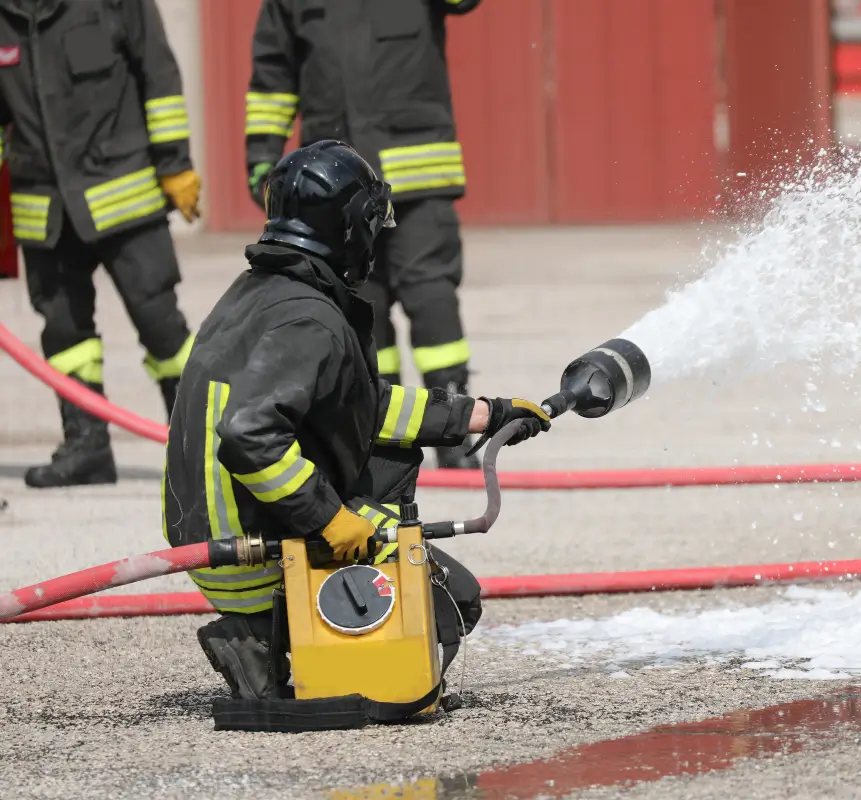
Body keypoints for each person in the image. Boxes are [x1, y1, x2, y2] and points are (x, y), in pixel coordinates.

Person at [161, 141, 550, 700]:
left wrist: (480, 415)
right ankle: (259, 634)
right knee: (452, 604)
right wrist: (328, 520)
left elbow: (358, 405)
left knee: (390, 461)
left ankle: (272, 627)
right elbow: (251, 439)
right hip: (249, 550)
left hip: (217, 532)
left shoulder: (263, 292)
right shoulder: (308, 319)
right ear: (348, 228)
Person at [244, 0, 484, 470]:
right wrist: (262, 159)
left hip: (417, 173)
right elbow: (272, 77)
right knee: (359, 301)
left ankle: (452, 429)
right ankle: (382, 432)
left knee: (429, 291)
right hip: (339, 181)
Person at [0, 0, 202, 487]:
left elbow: (158, 74)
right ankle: (86, 447)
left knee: (161, 326)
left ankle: (199, 446)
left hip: (124, 194)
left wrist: (174, 163)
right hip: (44, 204)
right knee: (65, 334)